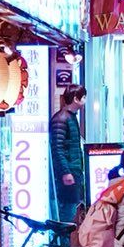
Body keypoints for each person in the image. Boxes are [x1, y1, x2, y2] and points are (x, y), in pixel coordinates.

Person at [50, 85, 89, 222]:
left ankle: (64, 241)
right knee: (67, 212)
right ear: (75, 99)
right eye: (83, 97)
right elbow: (57, 148)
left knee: (71, 210)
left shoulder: (70, 117)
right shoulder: (61, 118)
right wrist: (66, 172)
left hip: (73, 171)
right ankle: (62, 242)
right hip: (67, 174)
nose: (85, 100)